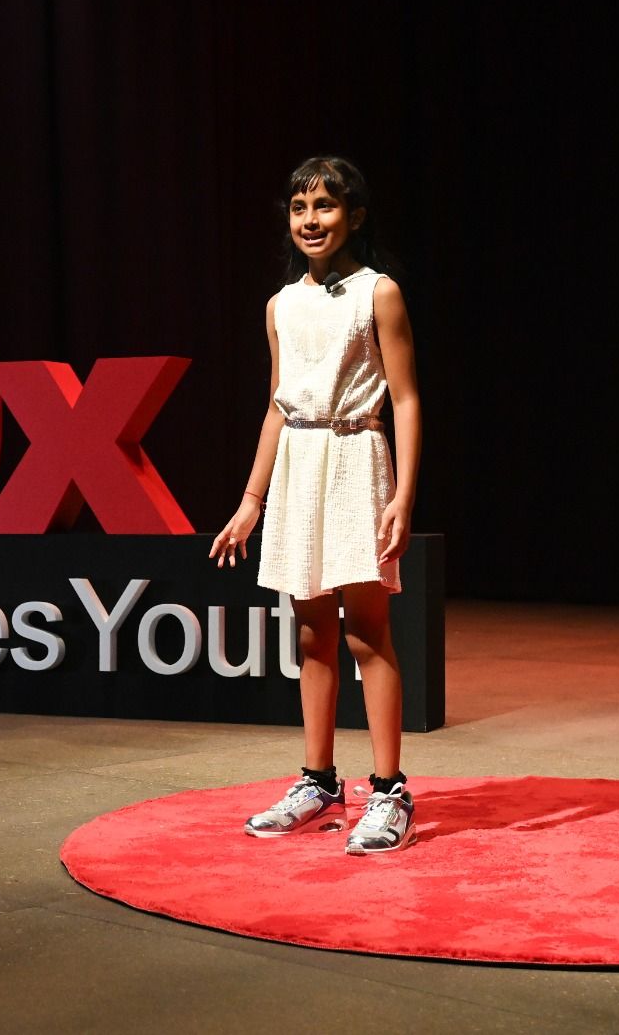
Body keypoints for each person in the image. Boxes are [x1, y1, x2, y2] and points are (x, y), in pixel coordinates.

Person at [208, 156, 421, 855]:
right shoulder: (281, 304)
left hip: (358, 457)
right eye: (300, 207)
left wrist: (404, 493)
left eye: (325, 206)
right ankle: (319, 779)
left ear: (354, 215)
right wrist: (251, 498)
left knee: (366, 630)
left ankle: (388, 789)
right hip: (300, 463)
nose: (310, 219)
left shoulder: (378, 293)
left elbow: (407, 398)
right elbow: (278, 402)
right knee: (309, 633)